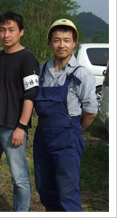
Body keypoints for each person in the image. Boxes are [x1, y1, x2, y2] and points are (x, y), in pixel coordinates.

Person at [33, 19, 98, 211]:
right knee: (45, 187)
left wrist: (76, 129)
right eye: (57, 40)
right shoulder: (42, 70)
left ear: (74, 42)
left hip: (68, 137)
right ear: (49, 42)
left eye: (67, 40)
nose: (61, 45)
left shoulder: (81, 74)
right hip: (43, 136)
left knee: (67, 191)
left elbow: (91, 111)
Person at [0, 11, 40, 212]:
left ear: (21, 32)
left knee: (19, 177)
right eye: (2, 30)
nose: (6, 34)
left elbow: (31, 94)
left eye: (11, 30)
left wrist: (21, 126)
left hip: (13, 128)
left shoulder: (27, 58)